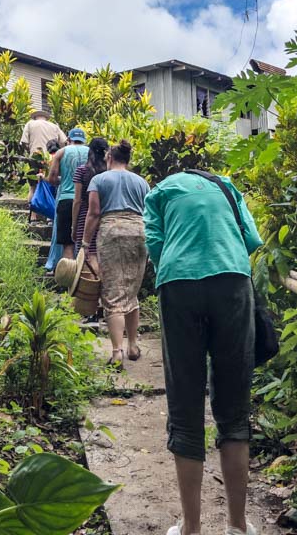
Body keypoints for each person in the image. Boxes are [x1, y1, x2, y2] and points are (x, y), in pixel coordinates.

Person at [142, 169, 263, 535]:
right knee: (234, 406)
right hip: (232, 282)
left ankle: (191, 528)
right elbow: (253, 240)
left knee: (185, 402)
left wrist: (182, 266)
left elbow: (156, 246)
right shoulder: (227, 187)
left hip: (179, 286)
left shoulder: (159, 192)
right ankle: (237, 527)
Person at [81, 139, 150, 368]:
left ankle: (117, 351)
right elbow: (148, 213)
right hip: (139, 232)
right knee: (131, 290)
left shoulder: (99, 180)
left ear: (109, 158)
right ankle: (133, 345)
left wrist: (84, 243)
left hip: (111, 232)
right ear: (128, 160)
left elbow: (94, 213)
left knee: (112, 293)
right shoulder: (142, 182)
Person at [47, 127, 88, 260]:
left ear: (69, 140)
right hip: (87, 202)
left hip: (66, 200)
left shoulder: (61, 152)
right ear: (83, 140)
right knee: (86, 244)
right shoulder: (92, 153)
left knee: (68, 245)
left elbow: (52, 178)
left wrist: (63, 180)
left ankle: (68, 277)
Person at [21, 109, 66, 210]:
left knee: (33, 186)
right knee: (51, 185)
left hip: (35, 157)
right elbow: (64, 141)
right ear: (46, 118)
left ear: (35, 117)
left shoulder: (30, 124)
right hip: (51, 158)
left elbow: (24, 142)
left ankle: (33, 216)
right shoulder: (54, 126)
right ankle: (49, 214)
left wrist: (29, 151)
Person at [71, 137, 109, 258]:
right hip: (106, 217)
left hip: (85, 217)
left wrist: (74, 225)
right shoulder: (108, 174)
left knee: (86, 255)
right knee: (102, 254)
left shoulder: (82, 171)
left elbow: (77, 200)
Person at [42, 139, 65, 274]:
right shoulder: (62, 156)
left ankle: (56, 265)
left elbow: (51, 178)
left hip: (62, 194)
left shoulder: (53, 158)